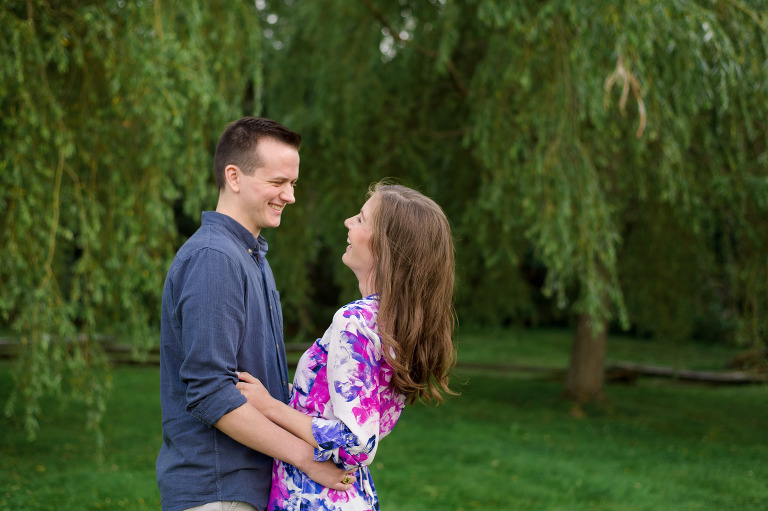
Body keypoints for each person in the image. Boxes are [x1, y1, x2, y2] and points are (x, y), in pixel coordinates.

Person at [157, 117, 354, 511]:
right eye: (278, 183)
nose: (290, 196)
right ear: (234, 176)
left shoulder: (251, 256)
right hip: (217, 492)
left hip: (244, 491)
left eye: (293, 184)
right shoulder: (214, 259)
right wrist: (305, 457)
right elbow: (211, 393)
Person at [237, 181, 457, 511]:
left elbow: (357, 443)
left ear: (386, 247)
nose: (348, 222)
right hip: (351, 496)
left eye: (361, 219)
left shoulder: (354, 322)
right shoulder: (395, 324)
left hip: (314, 499)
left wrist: (269, 407)